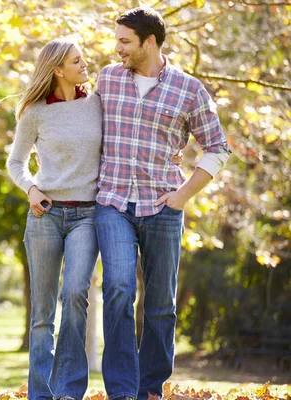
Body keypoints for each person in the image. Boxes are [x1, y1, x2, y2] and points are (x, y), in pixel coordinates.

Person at [94, 7, 232, 400]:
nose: (116, 47)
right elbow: (82, 124)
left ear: (149, 42)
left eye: (124, 41)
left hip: (163, 205)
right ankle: (121, 391)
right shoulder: (107, 79)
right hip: (113, 201)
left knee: (160, 304)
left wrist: (183, 195)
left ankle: (148, 389)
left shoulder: (189, 89)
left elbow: (217, 148)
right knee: (119, 288)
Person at [6, 38, 102, 400]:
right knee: (43, 313)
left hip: (88, 214)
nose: (85, 64)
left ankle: (69, 391)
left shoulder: (97, 104)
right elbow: (16, 162)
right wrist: (30, 188)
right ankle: (41, 394)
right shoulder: (35, 112)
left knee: (76, 293)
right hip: (45, 214)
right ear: (58, 69)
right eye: (77, 61)